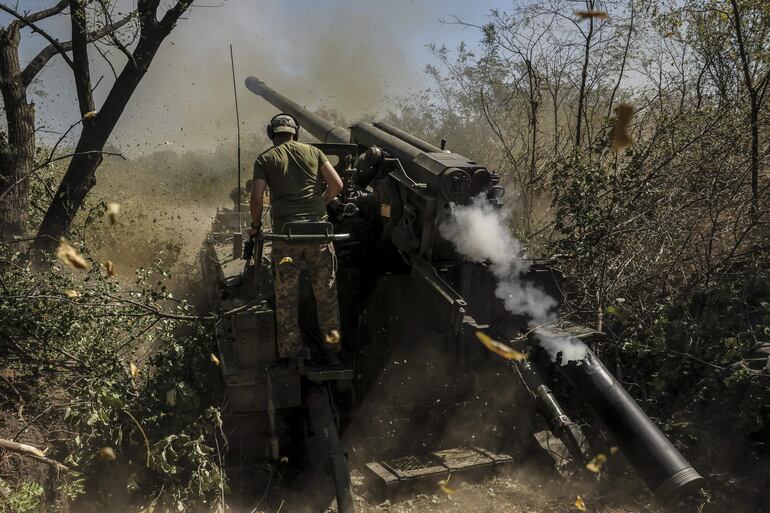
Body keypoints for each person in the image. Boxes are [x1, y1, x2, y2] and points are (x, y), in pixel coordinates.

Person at [249, 113, 344, 360]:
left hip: (286, 238)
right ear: (296, 132)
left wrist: (256, 225)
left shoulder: (265, 158)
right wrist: (320, 206)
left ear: (272, 134)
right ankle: (332, 350)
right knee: (327, 299)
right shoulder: (314, 153)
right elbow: (337, 185)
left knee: (286, 300)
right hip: (319, 235)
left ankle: (294, 354)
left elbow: (257, 198)